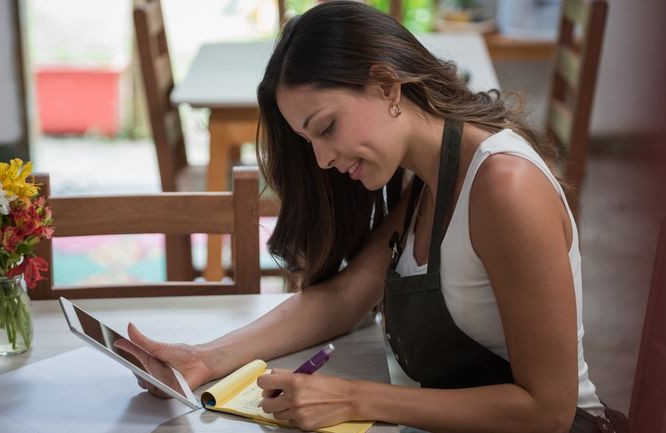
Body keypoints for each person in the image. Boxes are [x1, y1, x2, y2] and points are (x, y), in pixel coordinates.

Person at [117, 2, 626, 432]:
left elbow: (550, 410)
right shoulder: (427, 173)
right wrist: (205, 358)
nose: (321, 160)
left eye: (327, 127)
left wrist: (354, 399)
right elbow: (343, 299)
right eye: (308, 141)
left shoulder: (503, 186)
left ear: (386, 86)